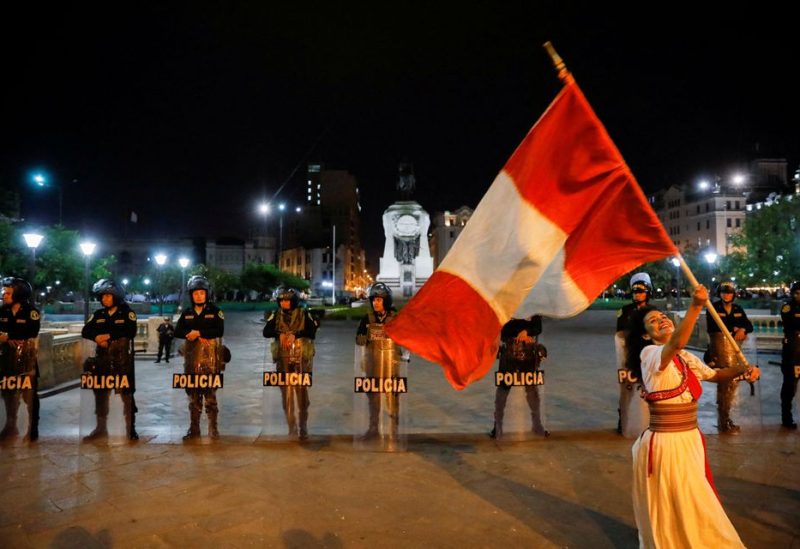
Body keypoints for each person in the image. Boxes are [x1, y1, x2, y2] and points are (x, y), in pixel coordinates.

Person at [627, 284, 759, 548]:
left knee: (693, 499)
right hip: (666, 445)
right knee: (682, 502)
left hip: (690, 440)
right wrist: (696, 305)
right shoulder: (650, 354)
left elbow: (716, 375)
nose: (661, 320)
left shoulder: (685, 357)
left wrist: (742, 370)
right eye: (653, 321)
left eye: (663, 317)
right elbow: (677, 342)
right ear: (645, 334)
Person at [81, 279, 139, 441]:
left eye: (107, 296)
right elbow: (86, 330)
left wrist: (108, 335)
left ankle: (130, 428)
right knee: (100, 395)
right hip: (102, 360)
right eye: (102, 296)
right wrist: (97, 337)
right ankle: (100, 428)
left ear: (116, 296)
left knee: (126, 395)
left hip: (122, 361)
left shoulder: (127, 312)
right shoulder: (99, 314)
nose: (104, 299)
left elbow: (130, 330)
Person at [263, 286, 318, 440]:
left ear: (293, 301)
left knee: (302, 396)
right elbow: (266, 331)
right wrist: (279, 334)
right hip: (283, 360)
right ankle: (291, 426)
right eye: (281, 301)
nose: (284, 303)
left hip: (301, 360)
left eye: (287, 300)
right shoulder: (276, 315)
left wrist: (296, 334)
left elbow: (312, 331)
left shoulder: (304, 314)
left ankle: (303, 427)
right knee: (286, 396)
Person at [175, 275, 225, 440]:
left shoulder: (215, 311)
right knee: (193, 398)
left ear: (207, 294)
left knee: (210, 397)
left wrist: (200, 332)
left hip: (210, 361)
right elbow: (178, 331)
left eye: (202, 293)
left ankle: (213, 429)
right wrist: (192, 334)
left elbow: (219, 330)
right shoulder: (187, 313)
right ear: (191, 295)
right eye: (195, 293)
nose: (198, 296)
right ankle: (194, 429)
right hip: (191, 361)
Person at [355, 282, 404, 440]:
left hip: (390, 365)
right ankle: (373, 428)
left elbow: (405, 338)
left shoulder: (396, 319)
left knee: (392, 398)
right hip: (372, 364)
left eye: (379, 300)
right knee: (373, 398)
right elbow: (358, 337)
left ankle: (393, 430)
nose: (375, 303)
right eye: (373, 300)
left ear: (386, 301)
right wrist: (361, 338)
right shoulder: (367, 319)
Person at [705, 280, 754, 434]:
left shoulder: (738, 308)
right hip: (719, 352)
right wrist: (735, 328)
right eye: (724, 292)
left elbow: (749, 325)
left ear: (734, 294)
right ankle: (723, 420)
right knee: (723, 386)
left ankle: (727, 419)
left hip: (734, 353)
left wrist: (743, 330)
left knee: (732, 387)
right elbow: (715, 327)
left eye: (729, 292)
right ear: (719, 293)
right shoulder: (713, 308)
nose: (726, 295)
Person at [490, 316, 548, 439]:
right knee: (503, 388)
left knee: (532, 389)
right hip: (509, 351)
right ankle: (498, 425)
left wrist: (527, 332)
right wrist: (521, 333)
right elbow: (501, 328)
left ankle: (537, 424)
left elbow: (538, 327)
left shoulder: (532, 303)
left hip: (528, 352)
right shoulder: (508, 304)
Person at [0, 277, 41, 442]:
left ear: (19, 294)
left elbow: (31, 331)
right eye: (4, 292)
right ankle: (11, 425)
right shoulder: (2, 311)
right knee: (8, 394)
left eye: (8, 293)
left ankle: (33, 428)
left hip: (26, 360)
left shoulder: (31, 311)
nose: (4, 295)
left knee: (29, 395)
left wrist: (7, 335)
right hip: (6, 360)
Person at [614, 272, 652, 436]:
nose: (638, 294)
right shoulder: (624, 310)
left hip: (649, 356)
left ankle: (651, 421)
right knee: (627, 390)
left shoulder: (653, 310)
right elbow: (621, 332)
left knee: (650, 389)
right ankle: (624, 420)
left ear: (648, 292)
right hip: (629, 356)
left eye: (641, 291)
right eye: (635, 291)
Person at [779, 280, 800, 429]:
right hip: (793, 351)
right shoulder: (787, 306)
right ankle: (787, 417)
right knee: (790, 385)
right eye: (797, 293)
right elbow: (790, 322)